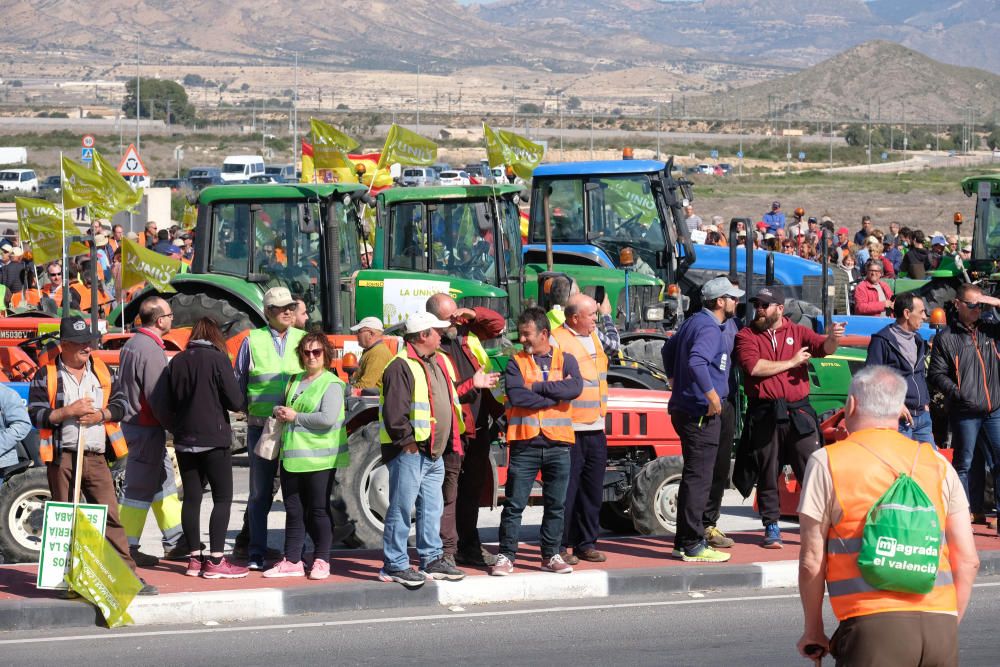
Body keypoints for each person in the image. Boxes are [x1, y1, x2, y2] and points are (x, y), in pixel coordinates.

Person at [796, 366, 980, 665]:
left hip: (872, 625)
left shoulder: (828, 461)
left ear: (851, 405)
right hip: (940, 627)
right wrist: (947, 621)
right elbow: (969, 560)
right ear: (901, 410)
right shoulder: (936, 463)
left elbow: (811, 560)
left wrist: (813, 631)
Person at [29, 316, 157, 595]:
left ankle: (127, 577)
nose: (88, 347)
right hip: (63, 457)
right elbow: (36, 414)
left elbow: (123, 404)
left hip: (97, 457)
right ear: (64, 345)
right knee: (66, 518)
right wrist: (67, 412)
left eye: (89, 342)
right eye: (80, 343)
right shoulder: (47, 374)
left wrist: (101, 414)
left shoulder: (100, 370)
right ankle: (68, 578)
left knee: (111, 515)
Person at [734, 285, 845, 548]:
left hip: (798, 410)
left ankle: (820, 524)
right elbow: (754, 367)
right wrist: (793, 362)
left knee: (811, 469)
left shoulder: (798, 331)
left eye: (764, 305)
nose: (758, 310)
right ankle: (771, 525)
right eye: (757, 305)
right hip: (764, 411)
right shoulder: (746, 335)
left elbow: (825, 348)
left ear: (780, 309)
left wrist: (834, 337)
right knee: (767, 470)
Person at [378, 311, 480, 587]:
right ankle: (395, 564)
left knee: (431, 508)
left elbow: (449, 399)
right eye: (437, 331)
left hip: (435, 450)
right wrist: (408, 443)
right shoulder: (400, 366)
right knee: (401, 508)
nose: (442, 335)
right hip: (411, 452)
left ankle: (431, 558)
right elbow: (394, 414)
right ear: (423, 335)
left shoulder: (441, 361)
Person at [492, 307, 582, 576]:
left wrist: (538, 388)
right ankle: (506, 556)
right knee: (514, 505)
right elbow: (518, 397)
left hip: (558, 445)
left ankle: (551, 555)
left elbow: (575, 388)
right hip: (525, 444)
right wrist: (556, 396)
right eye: (520, 334)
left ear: (544, 333)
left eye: (526, 334)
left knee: (556, 505)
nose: (522, 339)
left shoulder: (567, 360)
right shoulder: (515, 363)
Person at [661, 277, 742, 562]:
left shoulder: (695, 321)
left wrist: (675, 379)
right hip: (698, 413)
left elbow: (667, 350)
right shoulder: (709, 327)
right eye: (733, 297)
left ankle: (684, 541)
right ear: (720, 301)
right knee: (699, 479)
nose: (737, 302)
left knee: (694, 477)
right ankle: (692, 544)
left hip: (687, 408)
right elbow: (696, 361)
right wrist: (711, 396)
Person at [426, 292, 505, 568]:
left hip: (480, 425)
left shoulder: (464, 331)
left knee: (472, 490)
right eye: (449, 317)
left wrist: (472, 312)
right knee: (449, 494)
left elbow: (497, 324)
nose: (455, 320)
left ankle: (469, 546)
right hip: (455, 430)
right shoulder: (432, 348)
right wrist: (474, 383)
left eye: (455, 314)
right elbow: (442, 395)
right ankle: (447, 550)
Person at [263, 333, 350, 580]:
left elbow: (327, 418)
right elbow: (283, 405)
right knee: (294, 510)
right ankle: (292, 560)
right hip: (293, 458)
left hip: (320, 459)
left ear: (325, 355)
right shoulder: (294, 380)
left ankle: (322, 559)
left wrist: (295, 417)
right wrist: (278, 410)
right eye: (307, 352)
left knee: (318, 510)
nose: (311, 357)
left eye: (317, 352)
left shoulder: (331, 383)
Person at [233, 286, 306, 570]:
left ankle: (292, 553)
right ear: (267, 313)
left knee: (294, 494)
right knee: (260, 493)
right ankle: (256, 552)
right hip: (262, 427)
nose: (288, 311)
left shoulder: (303, 340)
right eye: (280, 308)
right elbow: (238, 381)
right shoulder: (252, 341)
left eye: (290, 306)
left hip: (296, 427)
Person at [168, 317, 248, 579]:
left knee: (191, 498)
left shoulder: (177, 361)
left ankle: (193, 559)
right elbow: (235, 400)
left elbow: (167, 400)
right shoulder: (217, 359)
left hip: (184, 439)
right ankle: (215, 560)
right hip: (214, 438)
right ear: (215, 336)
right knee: (222, 498)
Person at [118, 297, 186, 565]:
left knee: (164, 485)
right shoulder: (150, 349)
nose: (172, 318)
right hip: (146, 429)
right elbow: (157, 395)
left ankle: (177, 540)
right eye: (170, 314)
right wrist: (175, 425)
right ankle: (126, 549)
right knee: (137, 490)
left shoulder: (133, 344)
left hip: (139, 427)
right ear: (160, 320)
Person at [927, 283, 1000, 525]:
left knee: (998, 459)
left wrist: (994, 302)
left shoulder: (989, 330)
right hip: (965, 411)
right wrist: (958, 394)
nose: (977, 309)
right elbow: (936, 374)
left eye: (981, 305)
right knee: (965, 463)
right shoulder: (946, 338)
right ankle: (966, 511)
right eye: (972, 304)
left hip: (993, 409)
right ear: (958, 304)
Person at [554, 293, 615, 564]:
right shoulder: (556, 339)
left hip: (595, 424)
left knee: (592, 489)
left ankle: (586, 543)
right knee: (567, 490)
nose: (595, 319)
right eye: (591, 315)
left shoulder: (594, 335)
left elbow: (612, 348)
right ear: (574, 317)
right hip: (570, 426)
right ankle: (560, 545)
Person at [866, 293, 934, 444]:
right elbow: (871, 380)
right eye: (921, 312)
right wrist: (895, 404)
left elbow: (920, 375)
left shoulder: (918, 341)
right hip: (898, 419)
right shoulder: (882, 341)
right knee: (901, 466)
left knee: (930, 464)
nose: (925, 317)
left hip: (923, 417)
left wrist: (926, 403)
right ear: (907, 313)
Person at [349, 316, 394, 391]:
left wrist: (347, 390)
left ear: (370, 334)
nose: (356, 335)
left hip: (373, 401)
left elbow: (366, 385)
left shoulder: (378, 353)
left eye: (359, 331)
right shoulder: (373, 351)